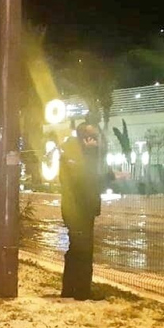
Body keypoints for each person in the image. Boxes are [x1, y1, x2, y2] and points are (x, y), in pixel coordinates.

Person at [59, 122, 102, 300]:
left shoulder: (73, 152)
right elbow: (85, 179)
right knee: (82, 250)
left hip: (79, 208)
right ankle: (81, 291)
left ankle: (70, 289)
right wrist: (91, 154)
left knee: (76, 249)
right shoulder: (76, 154)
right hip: (79, 209)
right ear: (85, 137)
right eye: (92, 136)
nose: (95, 140)